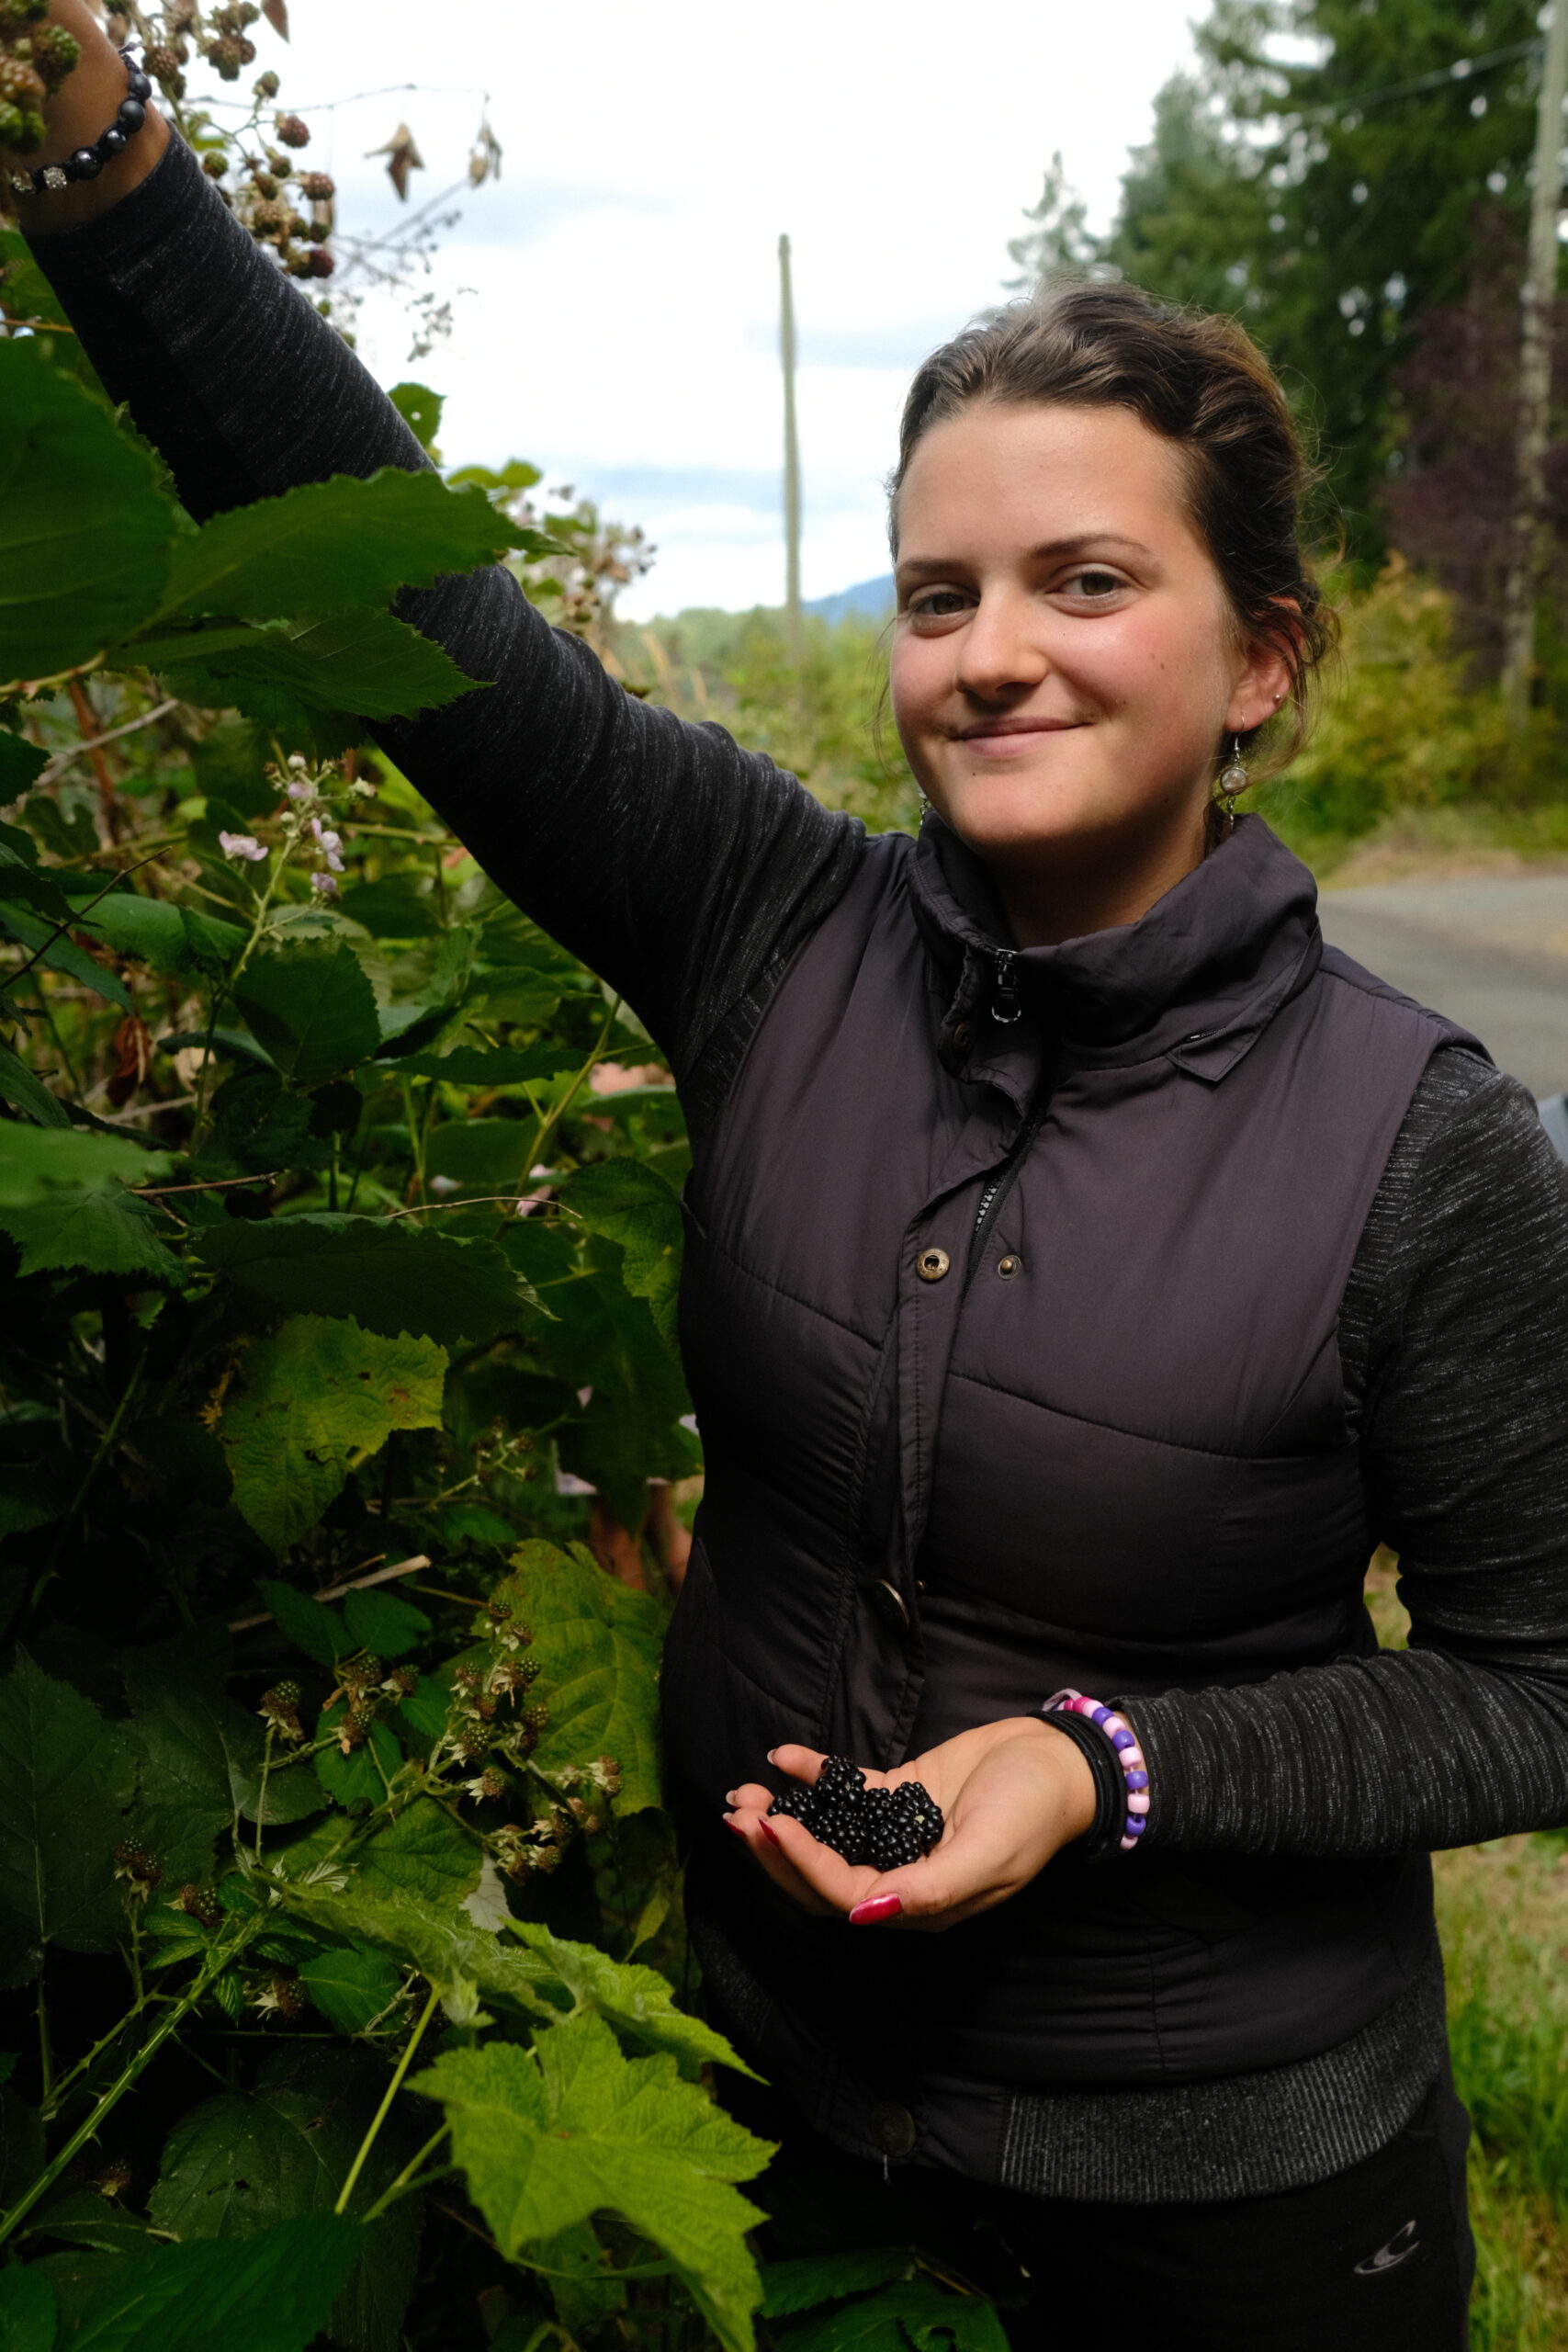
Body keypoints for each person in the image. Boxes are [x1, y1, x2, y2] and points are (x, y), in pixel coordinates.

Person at [14, 15, 1568, 2344]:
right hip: (770, 2090)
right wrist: (124, 184)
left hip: (1229, 2191)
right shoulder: (771, 927)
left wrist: (1099, 1763)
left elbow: (1531, 1685)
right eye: (935, 596)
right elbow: (444, 635)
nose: (989, 653)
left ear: (1257, 659)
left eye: (1079, 582)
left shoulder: (1415, 1137)